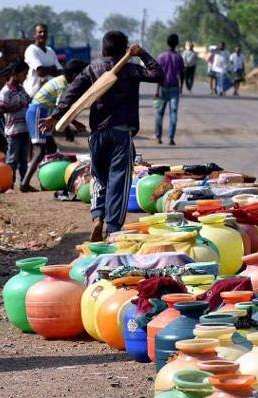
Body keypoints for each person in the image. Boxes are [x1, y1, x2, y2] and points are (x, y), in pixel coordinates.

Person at [40, 31, 164, 241]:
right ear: (124, 49)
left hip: (98, 134)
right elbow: (158, 74)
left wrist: (55, 115)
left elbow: (72, 93)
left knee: (98, 177)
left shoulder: (92, 69)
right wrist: (142, 54)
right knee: (119, 181)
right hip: (121, 133)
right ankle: (113, 228)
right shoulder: (131, 69)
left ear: (104, 48)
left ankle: (97, 217)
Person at [21, 59, 88, 192]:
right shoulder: (62, 85)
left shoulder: (61, 81)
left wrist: (70, 124)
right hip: (38, 113)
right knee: (40, 150)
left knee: (51, 148)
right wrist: (70, 126)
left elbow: (60, 111)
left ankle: (46, 182)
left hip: (44, 113)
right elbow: (60, 109)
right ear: (75, 75)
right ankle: (24, 183)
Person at [0, 60, 31, 190]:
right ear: (15, 74)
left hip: (24, 128)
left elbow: (29, 101)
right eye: (24, 74)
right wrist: (16, 107)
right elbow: (0, 109)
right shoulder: (6, 91)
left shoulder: (21, 89)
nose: (26, 77)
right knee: (12, 159)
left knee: (24, 159)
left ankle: (24, 183)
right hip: (13, 130)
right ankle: (9, 184)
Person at [156, 33, 185, 146]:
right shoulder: (178, 57)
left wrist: (157, 90)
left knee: (160, 113)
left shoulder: (161, 56)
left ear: (167, 42)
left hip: (162, 87)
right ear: (176, 43)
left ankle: (158, 137)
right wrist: (181, 86)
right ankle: (171, 138)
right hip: (174, 88)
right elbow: (182, 73)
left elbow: (157, 74)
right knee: (173, 113)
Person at [23, 23, 62, 97]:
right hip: (34, 93)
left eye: (45, 32)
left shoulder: (50, 51)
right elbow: (41, 72)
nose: (43, 34)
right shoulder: (31, 50)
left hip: (49, 94)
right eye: (40, 32)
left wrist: (46, 69)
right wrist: (52, 68)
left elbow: (60, 72)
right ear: (34, 35)